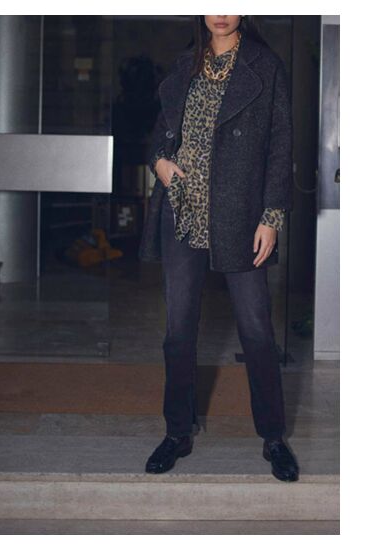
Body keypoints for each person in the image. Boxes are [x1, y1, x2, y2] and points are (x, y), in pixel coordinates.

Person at [139, 15, 299, 482]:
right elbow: (162, 131)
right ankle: (177, 432)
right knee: (178, 330)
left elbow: (280, 144)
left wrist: (272, 217)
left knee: (257, 330)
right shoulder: (185, 63)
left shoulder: (264, 66)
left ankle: (273, 437)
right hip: (182, 210)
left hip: (239, 215)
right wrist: (159, 161)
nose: (222, 12)